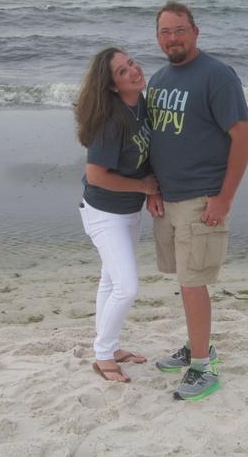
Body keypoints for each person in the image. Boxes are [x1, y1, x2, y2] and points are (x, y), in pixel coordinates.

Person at [146, 2, 248, 400]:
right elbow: (155, 138)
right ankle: (197, 346)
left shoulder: (217, 76)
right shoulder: (158, 79)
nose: (172, 38)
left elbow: (243, 138)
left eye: (179, 30)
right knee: (186, 280)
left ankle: (203, 367)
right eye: (165, 32)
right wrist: (153, 189)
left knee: (193, 283)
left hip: (201, 198)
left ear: (196, 31)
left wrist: (224, 198)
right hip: (169, 199)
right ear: (157, 37)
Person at [75, 47, 158, 383]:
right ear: (112, 85)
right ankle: (103, 355)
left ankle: (110, 347)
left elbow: (147, 156)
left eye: (131, 63)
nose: (134, 71)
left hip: (128, 210)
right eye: (123, 71)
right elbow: (95, 175)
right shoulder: (112, 122)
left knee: (110, 280)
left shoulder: (140, 104)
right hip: (104, 213)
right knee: (127, 287)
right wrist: (143, 187)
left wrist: (151, 191)